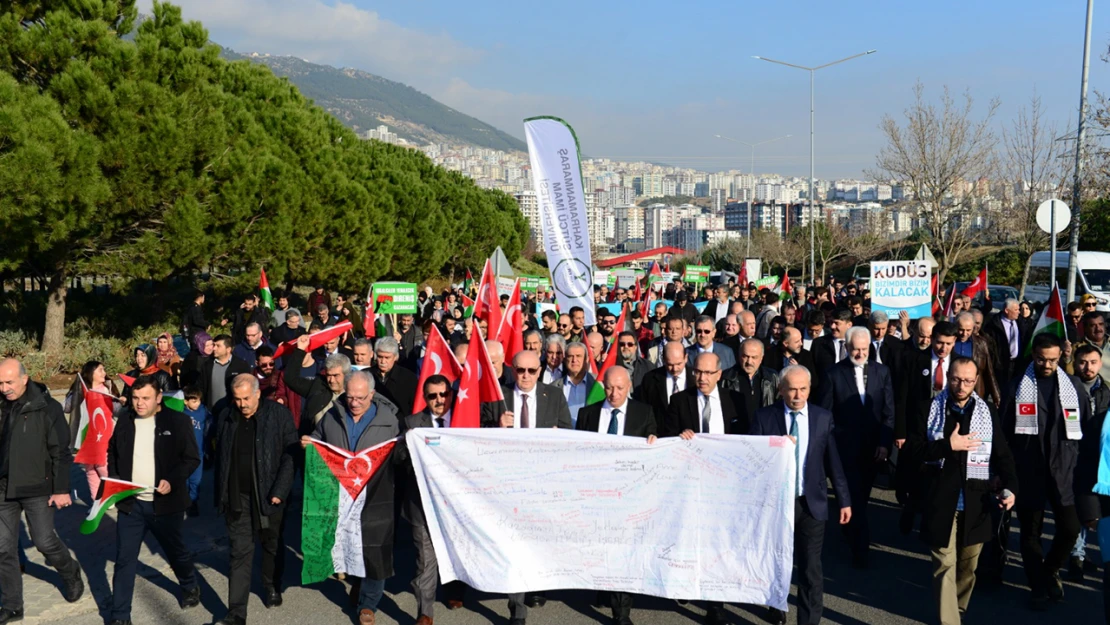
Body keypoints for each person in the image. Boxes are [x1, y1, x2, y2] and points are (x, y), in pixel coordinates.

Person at [909, 356, 1018, 625]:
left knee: (969, 567)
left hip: (976, 501)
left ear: (976, 381)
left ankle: (957, 610)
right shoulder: (928, 408)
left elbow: (1003, 454)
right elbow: (913, 451)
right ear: (948, 376)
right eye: (957, 379)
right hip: (940, 500)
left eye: (968, 380)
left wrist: (1011, 487)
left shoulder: (986, 412)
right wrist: (948, 445)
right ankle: (950, 622)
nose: (962, 385)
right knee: (945, 565)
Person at [750, 365, 852, 625]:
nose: (797, 395)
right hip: (776, 504)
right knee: (777, 563)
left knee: (810, 569)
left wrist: (844, 500)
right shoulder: (764, 418)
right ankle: (776, 606)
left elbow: (833, 461)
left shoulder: (822, 417)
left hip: (811, 503)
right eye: (792, 389)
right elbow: (753, 461)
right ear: (781, 389)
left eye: (803, 389)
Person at [301, 371, 400, 625]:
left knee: (374, 547)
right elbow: (320, 440)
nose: (354, 403)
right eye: (350, 397)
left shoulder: (390, 421)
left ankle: (369, 605)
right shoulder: (333, 415)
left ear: (372, 395)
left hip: (376, 495)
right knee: (347, 542)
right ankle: (357, 581)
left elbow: (399, 457)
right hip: (342, 495)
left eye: (360, 398)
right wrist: (311, 443)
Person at [1001, 333, 1092, 610]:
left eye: (1053, 360)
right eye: (1041, 359)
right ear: (1034, 355)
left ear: (1061, 357)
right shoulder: (1017, 386)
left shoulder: (1073, 387)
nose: (1047, 364)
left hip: (1065, 470)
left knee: (1071, 527)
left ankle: (1049, 569)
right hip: (1028, 470)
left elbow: (1086, 430)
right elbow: (1004, 432)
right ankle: (1037, 585)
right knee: (1030, 532)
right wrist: (1005, 473)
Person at [481, 350, 572, 624]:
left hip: (542, 483)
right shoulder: (499, 396)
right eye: (520, 370)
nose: (525, 376)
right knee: (514, 544)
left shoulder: (553, 396)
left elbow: (568, 431)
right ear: (513, 368)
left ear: (540, 370)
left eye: (532, 371)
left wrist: (558, 435)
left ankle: (537, 583)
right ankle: (516, 609)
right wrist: (497, 426)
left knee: (538, 539)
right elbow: (477, 436)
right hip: (507, 484)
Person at [107, 375, 201, 625]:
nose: (139, 403)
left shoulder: (178, 421)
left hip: (165, 505)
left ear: (159, 398)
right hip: (131, 504)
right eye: (135, 398)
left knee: (176, 551)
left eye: (145, 398)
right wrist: (116, 480)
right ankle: (120, 616)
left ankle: (189, 584)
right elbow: (112, 452)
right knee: (125, 559)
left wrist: (173, 479)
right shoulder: (125, 420)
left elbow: (192, 458)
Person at [0, 359, 84, 623]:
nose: (4, 388)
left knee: (44, 541)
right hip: (3, 488)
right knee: (2, 548)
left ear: (25, 379)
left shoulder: (47, 407)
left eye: (9, 382)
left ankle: (70, 571)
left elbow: (60, 451)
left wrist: (61, 489)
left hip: (37, 487)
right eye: (0, 382)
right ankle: (13, 604)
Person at [574, 366, 658, 625]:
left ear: (629, 386)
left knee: (623, 550)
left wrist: (654, 439)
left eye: (620, 388)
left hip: (629, 496)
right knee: (601, 546)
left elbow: (655, 447)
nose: (614, 393)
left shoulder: (644, 413)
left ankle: (621, 611)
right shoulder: (587, 414)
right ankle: (603, 586)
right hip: (596, 495)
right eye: (609, 387)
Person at [212, 375, 297, 625]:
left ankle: (271, 584)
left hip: (270, 495)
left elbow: (291, 456)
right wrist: (222, 494)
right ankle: (236, 613)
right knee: (239, 552)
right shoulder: (226, 417)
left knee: (271, 545)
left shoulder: (278, 415)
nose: (242, 404)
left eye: (246, 398)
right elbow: (221, 457)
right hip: (237, 498)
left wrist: (280, 490)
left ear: (258, 393)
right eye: (237, 399)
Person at [816, 326, 895, 567]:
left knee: (862, 496)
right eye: (855, 349)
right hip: (844, 449)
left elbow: (888, 412)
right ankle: (861, 549)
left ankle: (851, 528)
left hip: (873, 449)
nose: (860, 353)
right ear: (847, 348)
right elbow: (824, 414)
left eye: (864, 349)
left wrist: (884, 443)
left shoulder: (882, 372)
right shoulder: (833, 374)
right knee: (855, 498)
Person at [398, 376, 467, 623]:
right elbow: (399, 459)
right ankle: (425, 611)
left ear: (451, 394)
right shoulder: (412, 423)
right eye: (432, 396)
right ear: (425, 398)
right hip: (422, 504)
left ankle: (455, 591)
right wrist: (407, 444)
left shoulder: (464, 420)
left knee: (456, 550)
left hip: (457, 504)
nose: (439, 400)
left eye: (444, 394)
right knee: (425, 560)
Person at [1071, 343, 1110, 579]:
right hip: (1072, 455)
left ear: (1100, 363)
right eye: (1083, 362)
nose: (1088, 367)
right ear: (1075, 363)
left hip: (1099, 458)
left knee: (1096, 513)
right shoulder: (1066, 388)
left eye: (1093, 362)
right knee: (1077, 510)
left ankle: (1088, 555)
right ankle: (1076, 555)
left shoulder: (1105, 391)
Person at [64, 360, 119, 501]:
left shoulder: (107, 388)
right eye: (100, 370)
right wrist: (75, 392)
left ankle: (111, 496)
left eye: (104, 369)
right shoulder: (82, 389)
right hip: (87, 434)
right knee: (90, 468)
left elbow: (117, 410)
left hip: (104, 434)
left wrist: (121, 402)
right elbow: (67, 408)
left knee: (101, 464)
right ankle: (97, 501)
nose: (104, 373)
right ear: (90, 373)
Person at [665, 352, 747, 439]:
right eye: (698, 372)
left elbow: (744, 435)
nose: (702, 378)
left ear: (718, 375)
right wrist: (680, 435)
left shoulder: (735, 399)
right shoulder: (679, 400)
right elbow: (669, 435)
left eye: (708, 373)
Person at [284, 335, 352, 433]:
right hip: (314, 441)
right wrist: (300, 350)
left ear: (346, 374)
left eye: (336, 375)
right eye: (329, 375)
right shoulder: (318, 386)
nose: (331, 380)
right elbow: (291, 379)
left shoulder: (354, 393)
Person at [721, 339, 780, 430]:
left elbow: (779, 406)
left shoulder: (772, 377)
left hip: (764, 432)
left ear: (761, 358)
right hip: (735, 433)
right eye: (745, 356)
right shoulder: (726, 378)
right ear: (739, 355)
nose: (749, 362)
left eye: (754, 357)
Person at [983, 299, 1031, 389]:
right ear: (1006, 310)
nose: (1019, 312)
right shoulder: (993, 325)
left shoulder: (1021, 322)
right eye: (1016, 310)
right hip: (1001, 366)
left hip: (1018, 365)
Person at [200, 335, 252, 414]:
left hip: (233, 413)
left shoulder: (241, 366)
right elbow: (202, 387)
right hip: (211, 413)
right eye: (214, 345)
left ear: (228, 349)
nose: (214, 348)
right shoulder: (207, 365)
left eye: (218, 346)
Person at [550, 342, 594, 428]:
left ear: (587, 359)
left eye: (578, 356)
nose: (574, 360)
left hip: (590, 436)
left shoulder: (597, 384)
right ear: (565, 359)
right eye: (570, 356)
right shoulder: (553, 387)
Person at [371, 337, 418, 417]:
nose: (383, 361)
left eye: (387, 357)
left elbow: (414, 406)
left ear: (395, 357)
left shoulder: (409, 378)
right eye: (380, 357)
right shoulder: (366, 375)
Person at [182, 386, 210, 517]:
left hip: (198, 452)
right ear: (185, 401)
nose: (197, 403)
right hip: (184, 453)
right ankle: (186, 500)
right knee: (185, 479)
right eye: (194, 401)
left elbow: (210, 424)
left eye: (199, 400)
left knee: (196, 480)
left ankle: (193, 501)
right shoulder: (181, 413)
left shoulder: (203, 411)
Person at [811, 308, 854, 376]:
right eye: (831, 322)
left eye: (837, 323)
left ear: (849, 325)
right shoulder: (819, 344)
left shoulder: (857, 343)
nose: (832, 326)